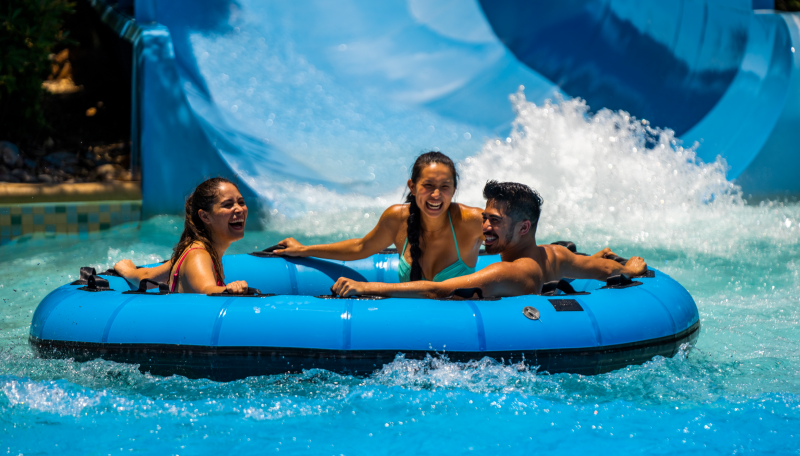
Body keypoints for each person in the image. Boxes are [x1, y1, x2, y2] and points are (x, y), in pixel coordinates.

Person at [331, 180, 647, 298]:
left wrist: (367, 287)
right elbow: (603, 270)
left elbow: (439, 290)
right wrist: (630, 269)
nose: (484, 227)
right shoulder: (552, 255)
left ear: (523, 228)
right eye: (484, 218)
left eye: (494, 221)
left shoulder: (510, 271)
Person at [274, 152, 485, 282]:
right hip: (412, 324)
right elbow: (361, 247)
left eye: (445, 187)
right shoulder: (397, 219)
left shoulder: (471, 221)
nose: (436, 195)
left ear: (454, 189)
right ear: (412, 187)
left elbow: (505, 244)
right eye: (428, 185)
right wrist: (304, 250)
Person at [114, 177, 250, 294]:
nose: (239, 209)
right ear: (205, 216)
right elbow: (205, 291)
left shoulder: (199, 250)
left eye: (241, 202)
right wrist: (230, 289)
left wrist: (129, 271)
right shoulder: (198, 255)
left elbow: (147, 276)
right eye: (228, 205)